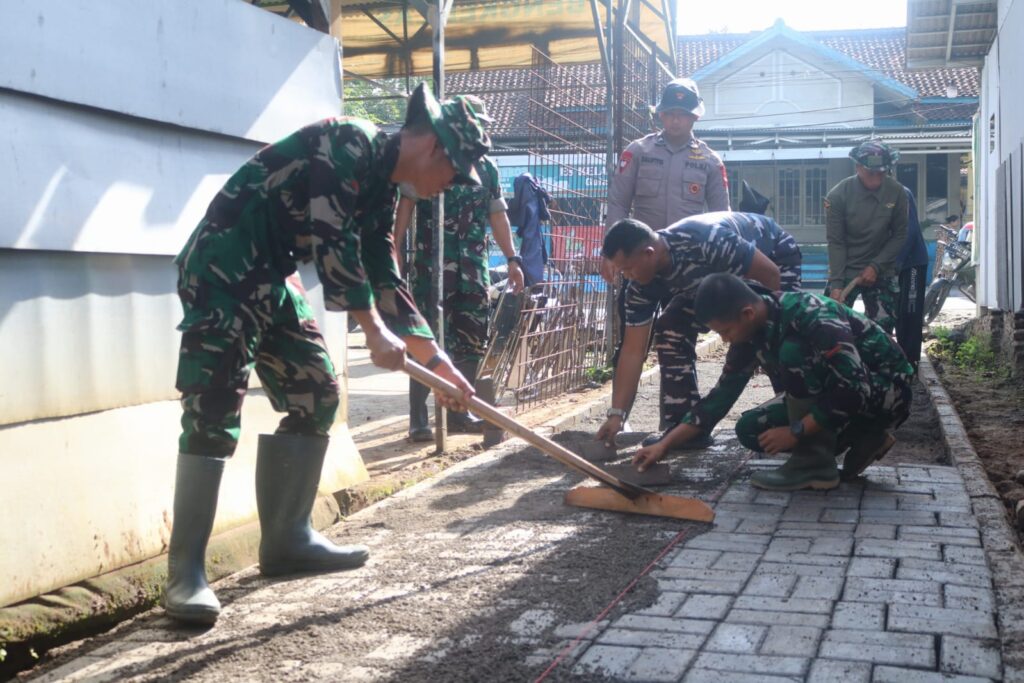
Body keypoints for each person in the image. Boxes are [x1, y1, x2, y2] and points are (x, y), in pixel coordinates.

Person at [165, 83, 488, 625]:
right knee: (214, 406)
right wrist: (373, 331)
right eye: (453, 175)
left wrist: (438, 363)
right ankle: (185, 573)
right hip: (224, 262)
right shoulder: (347, 142)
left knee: (317, 391)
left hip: (271, 272)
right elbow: (333, 239)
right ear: (434, 148)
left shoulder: (385, 181)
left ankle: (288, 540)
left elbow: (380, 264)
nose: (446, 188)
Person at [633, 274, 913, 491]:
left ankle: (813, 465)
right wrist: (665, 445)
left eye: (726, 331)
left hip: (887, 391)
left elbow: (854, 388)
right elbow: (720, 398)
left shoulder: (811, 315)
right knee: (750, 430)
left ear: (747, 313)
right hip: (844, 394)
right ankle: (865, 435)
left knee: (793, 352)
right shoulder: (751, 331)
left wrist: (796, 431)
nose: (726, 339)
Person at [595, 212, 801, 452]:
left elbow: (770, 274)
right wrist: (617, 415)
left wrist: (761, 338)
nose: (627, 277)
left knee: (776, 341)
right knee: (670, 327)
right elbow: (632, 350)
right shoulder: (641, 287)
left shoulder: (705, 243)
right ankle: (684, 428)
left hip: (772, 258)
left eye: (628, 269)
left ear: (649, 253)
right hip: (708, 283)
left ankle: (796, 418)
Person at [394, 95, 524, 442]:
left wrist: (512, 258)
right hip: (429, 267)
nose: (478, 131)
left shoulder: (488, 169)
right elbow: (405, 205)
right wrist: (396, 248)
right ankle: (419, 419)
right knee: (427, 339)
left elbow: (497, 214)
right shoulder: (431, 159)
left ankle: (459, 413)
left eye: (482, 125)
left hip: (472, 268)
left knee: (470, 338)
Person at [824, 140, 908, 333]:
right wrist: (837, 284)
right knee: (831, 327)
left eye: (882, 172)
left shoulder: (896, 192)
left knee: (882, 330)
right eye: (871, 172)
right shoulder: (837, 196)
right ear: (858, 167)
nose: (877, 178)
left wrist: (876, 267)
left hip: (882, 268)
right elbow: (836, 242)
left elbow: (900, 234)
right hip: (846, 269)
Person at [895, 187, 928, 370]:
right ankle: (901, 355)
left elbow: (910, 230)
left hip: (911, 262)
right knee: (898, 310)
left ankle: (911, 359)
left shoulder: (902, 193)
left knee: (910, 309)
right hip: (894, 263)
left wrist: (898, 261)